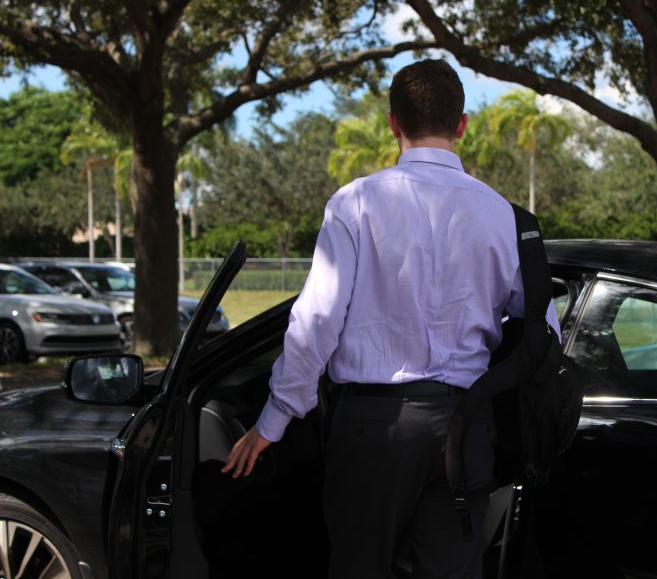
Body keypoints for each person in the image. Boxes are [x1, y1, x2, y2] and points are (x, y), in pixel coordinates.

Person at [222, 58, 559, 578]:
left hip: (373, 432)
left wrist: (274, 421)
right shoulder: (505, 216)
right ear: (462, 124)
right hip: (465, 428)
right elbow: (544, 330)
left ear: (392, 123)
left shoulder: (355, 203)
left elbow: (316, 322)